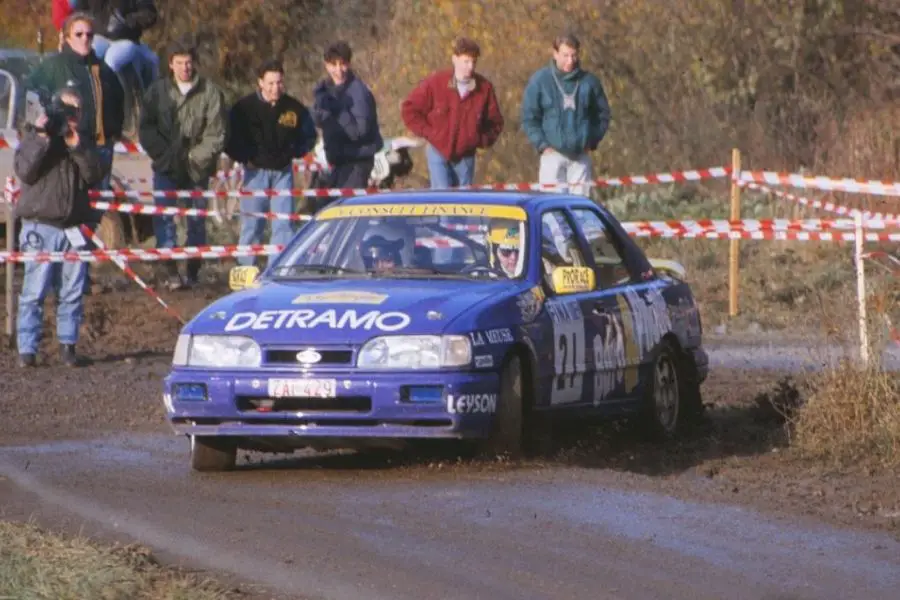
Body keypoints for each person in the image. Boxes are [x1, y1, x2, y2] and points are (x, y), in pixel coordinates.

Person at [29, 10, 125, 293]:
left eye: (89, 35)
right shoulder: (54, 67)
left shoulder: (103, 70)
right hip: (65, 153)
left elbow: (118, 105)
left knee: (91, 217)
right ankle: (57, 277)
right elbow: (31, 98)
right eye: (79, 34)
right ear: (66, 37)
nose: (85, 39)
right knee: (64, 214)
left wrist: (111, 137)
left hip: (98, 152)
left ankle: (78, 277)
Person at [13, 88, 105, 368]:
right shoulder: (35, 137)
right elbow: (25, 170)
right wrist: (43, 136)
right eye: (66, 110)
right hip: (40, 225)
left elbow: (94, 174)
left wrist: (76, 143)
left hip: (74, 226)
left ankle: (68, 346)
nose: (71, 116)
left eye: (76, 111)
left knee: (73, 291)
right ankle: (27, 350)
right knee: (33, 291)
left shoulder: (81, 142)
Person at [139, 35, 228, 290]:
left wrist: (193, 158)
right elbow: (146, 127)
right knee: (164, 218)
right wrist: (165, 155)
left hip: (197, 167)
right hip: (166, 165)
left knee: (197, 219)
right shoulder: (157, 92)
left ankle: (193, 269)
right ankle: (168, 270)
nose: (185, 68)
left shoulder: (210, 92)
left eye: (188, 63)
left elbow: (217, 133)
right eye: (179, 63)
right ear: (171, 64)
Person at [226, 59, 317, 266]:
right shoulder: (243, 108)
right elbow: (229, 138)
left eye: (279, 83)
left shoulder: (294, 108)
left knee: (284, 225)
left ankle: (278, 270)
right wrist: (244, 157)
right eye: (270, 83)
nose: (276, 88)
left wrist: (295, 152)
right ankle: (245, 269)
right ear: (260, 83)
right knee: (252, 224)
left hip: (283, 173)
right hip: (254, 173)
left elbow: (309, 136)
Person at [400, 36, 504, 189]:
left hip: (466, 156)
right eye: (466, 61)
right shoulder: (436, 83)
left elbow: (495, 122)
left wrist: (477, 139)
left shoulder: (483, 88)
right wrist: (429, 132)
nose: (470, 67)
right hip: (438, 150)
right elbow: (409, 109)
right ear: (455, 59)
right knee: (442, 199)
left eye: (473, 62)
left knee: (463, 202)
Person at [520, 33, 612, 186]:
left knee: (579, 206)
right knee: (552, 207)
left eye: (574, 55)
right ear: (555, 54)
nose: (570, 61)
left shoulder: (589, 82)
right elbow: (529, 118)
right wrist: (542, 145)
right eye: (565, 55)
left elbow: (603, 114)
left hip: (580, 157)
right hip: (552, 155)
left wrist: (592, 140)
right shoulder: (540, 81)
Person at [312, 41, 383, 192]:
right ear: (326, 65)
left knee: (348, 209)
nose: (339, 70)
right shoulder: (325, 90)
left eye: (342, 64)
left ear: (349, 64)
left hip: (357, 161)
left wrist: (337, 113)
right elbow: (320, 119)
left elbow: (360, 131)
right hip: (337, 160)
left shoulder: (359, 93)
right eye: (334, 64)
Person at [67, 0, 160, 90]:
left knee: (111, 60)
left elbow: (150, 14)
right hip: (99, 36)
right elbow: (80, 12)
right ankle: (90, 96)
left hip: (126, 38)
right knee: (88, 57)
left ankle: (121, 97)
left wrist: (128, 20)